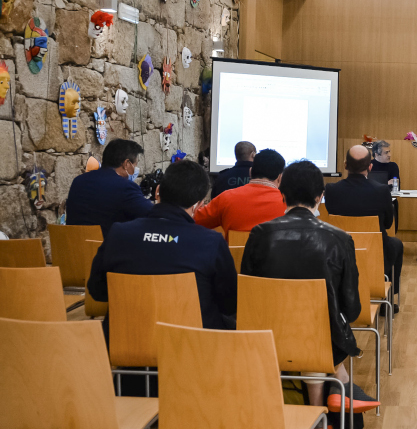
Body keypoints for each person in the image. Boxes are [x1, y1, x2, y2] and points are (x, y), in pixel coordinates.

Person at [241, 160, 377, 429]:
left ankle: (320, 409)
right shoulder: (339, 238)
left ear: (282, 193)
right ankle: (337, 387)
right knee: (318, 322)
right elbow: (352, 309)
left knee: (304, 322)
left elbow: (248, 296)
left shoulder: (259, 234)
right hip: (320, 339)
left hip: (266, 336)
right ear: (320, 196)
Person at [88, 160, 238, 341]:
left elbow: (97, 291)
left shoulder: (119, 233)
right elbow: (229, 303)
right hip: (191, 348)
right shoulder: (211, 242)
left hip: (125, 342)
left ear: (157, 191)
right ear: (199, 204)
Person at [324, 145, 403, 311]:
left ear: (345, 165)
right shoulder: (381, 191)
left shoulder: (331, 190)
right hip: (374, 249)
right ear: (370, 166)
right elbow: (388, 224)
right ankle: (385, 296)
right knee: (395, 244)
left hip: (341, 249)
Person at [66, 138, 153, 234]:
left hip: (73, 247)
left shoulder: (78, 181)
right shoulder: (125, 187)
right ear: (126, 164)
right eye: (135, 164)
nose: (136, 169)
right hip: (107, 247)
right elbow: (152, 214)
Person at [195, 149, 287, 239]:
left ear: (250, 172)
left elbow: (194, 220)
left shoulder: (226, 198)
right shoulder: (288, 203)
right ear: (280, 178)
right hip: (276, 254)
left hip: (233, 255)